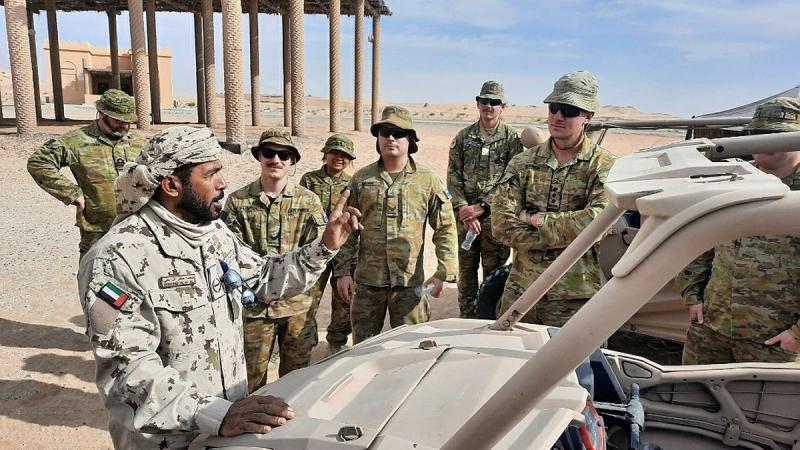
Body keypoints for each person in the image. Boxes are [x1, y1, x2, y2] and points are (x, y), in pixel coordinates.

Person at [77, 126, 362, 449]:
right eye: (211, 174)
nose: (223, 183)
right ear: (172, 185)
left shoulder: (213, 234)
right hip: (171, 439)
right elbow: (126, 371)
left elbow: (265, 277)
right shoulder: (117, 257)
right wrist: (216, 414)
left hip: (227, 428)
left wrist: (325, 246)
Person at [678, 97, 800, 364]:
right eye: (757, 133)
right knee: (694, 388)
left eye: (774, 135)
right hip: (711, 327)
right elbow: (699, 238)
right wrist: (692, 296)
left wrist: (797, 336)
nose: (763, 142)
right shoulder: (734, 179)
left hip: (774, 342)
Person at [491, 71, 616, 326]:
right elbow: (501, 225)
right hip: (521, 294)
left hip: (574, 299)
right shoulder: (523, 163)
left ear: (588, 116)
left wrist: (534, 219)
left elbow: (598, 223)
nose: (558, 116)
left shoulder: (603, 166)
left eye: (569, 110)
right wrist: (566, 235)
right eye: (554, 107)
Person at [334, 106, 459, 344]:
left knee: (412, 348)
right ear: (378, 138)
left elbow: (445, 228)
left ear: (410, 139)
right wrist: (342, 272)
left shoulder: (427, 181)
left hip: (409, 284)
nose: (391, 138)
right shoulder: (361, 179)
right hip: (368, 284)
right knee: (364, 348)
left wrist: (444, 272)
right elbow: (346, 230)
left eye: (398, 133)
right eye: (385, 132)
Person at [224, 129, 327, 390]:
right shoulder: (238, 202)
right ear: (259, 156)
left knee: (297, 382)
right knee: (250, 382)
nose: (276, 160)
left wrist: (293, 290)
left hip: (297, 306)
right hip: (254, 308)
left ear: (292, 160)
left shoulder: (309, 202)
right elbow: (230, 254)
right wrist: (260, 289)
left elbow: (317, 255)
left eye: (284, 155)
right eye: (269, 153)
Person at [27, 89, 148, 257]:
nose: (125, 126)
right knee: (95, 271)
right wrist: (72, 193)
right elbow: (38, 162)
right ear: (101, 114)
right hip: (97, 230)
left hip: (139, 227)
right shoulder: (75, 141)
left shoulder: (141, 142)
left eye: (128, 122)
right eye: (118, 121)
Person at [447, 80, 524, 318]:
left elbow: (513, 179)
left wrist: (483, 206)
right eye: (485, 101)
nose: (489, 106)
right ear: (478, 103)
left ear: (503, 107)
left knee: (495, 274)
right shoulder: (464, 137)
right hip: (465, 219)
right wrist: (464, 209)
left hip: (496, 220)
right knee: (466, 273)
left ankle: (488, 320)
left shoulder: (512, 140)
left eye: (495, 102)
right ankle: (466, 319)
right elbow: (452, 176)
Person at [299, 134, 357, 354]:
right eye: (335, 153)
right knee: (307, 299)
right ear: (325, 154)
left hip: (344, 251)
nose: (339, 158)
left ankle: (336, 343)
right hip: (315, 249)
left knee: (343, 302)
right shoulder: (309, 180)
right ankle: (305, 344)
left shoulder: (353, 183)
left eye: (345, 155)